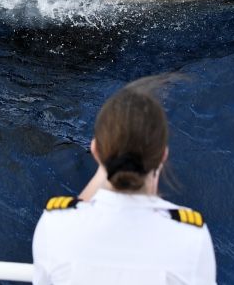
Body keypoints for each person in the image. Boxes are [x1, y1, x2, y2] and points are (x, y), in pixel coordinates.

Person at [32, 75, 216, 285]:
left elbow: (76, 219)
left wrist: (109, 158)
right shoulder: (191, 237)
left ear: (95, 151)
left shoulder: (55, 225)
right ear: (163, 155)